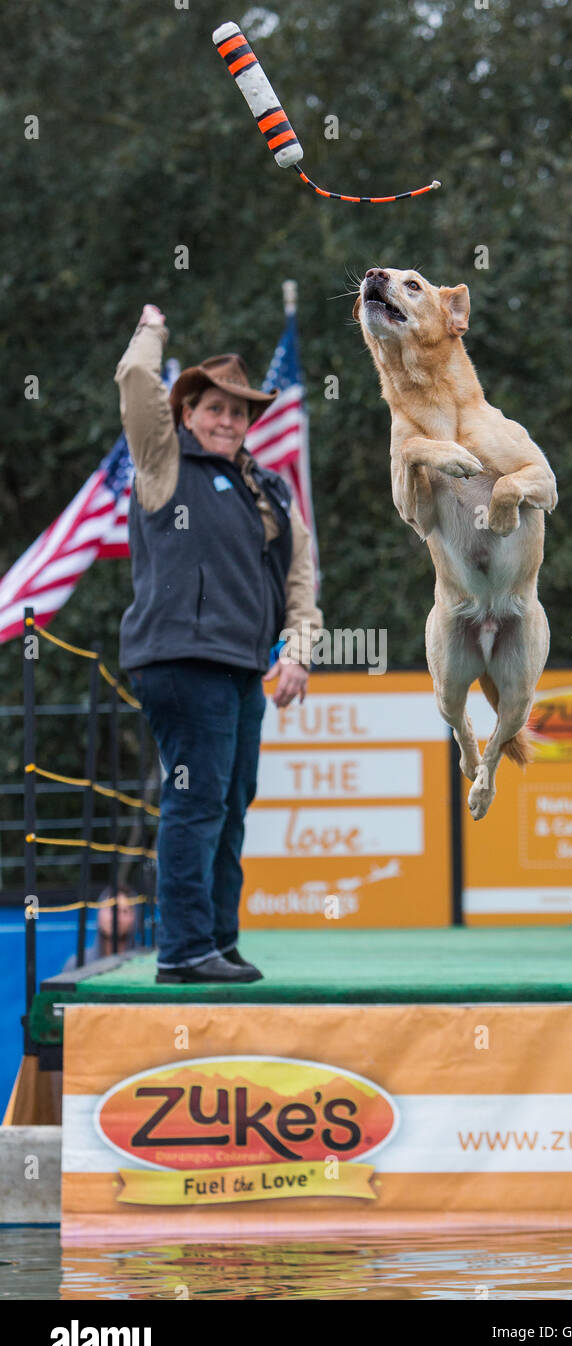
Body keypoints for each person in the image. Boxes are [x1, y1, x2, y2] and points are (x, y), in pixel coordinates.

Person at [115, 304, 322, 985]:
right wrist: (153, 328)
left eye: (238, 412)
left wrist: (297, 650)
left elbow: (300, 580)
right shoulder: (163, 460)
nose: (227, 420)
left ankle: (216, 942)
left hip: (240, 667)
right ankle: (181, 951)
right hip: (180, 661)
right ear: (188, 412)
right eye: (214, 408)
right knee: (197, 802)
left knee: (230, 806)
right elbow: (135, 380)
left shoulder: (268, 490)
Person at [62, 886, 137, 970]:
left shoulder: (142, 964)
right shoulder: (77, 963)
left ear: (134, 917)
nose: (116, 916)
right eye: (111, 909)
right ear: (98, 913)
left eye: (124, 911)